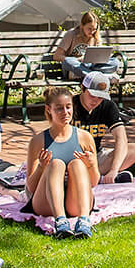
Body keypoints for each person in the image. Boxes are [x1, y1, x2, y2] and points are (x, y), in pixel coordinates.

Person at [25, 85, 99, 237]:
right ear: (48, 109)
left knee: (77, 163)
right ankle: (61, 222)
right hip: (46, 202)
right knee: (56, 163)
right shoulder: (38, 141)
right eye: (59, 108)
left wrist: (90, 165)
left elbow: (94, 182)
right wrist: (41, 167)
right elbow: (31, 187)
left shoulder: (84, 137)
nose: (65, 113)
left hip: (75, 201)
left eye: (68, 107)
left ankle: (84, 221)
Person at [72, 72, 133, 184]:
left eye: (100, 97)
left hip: (96, 156)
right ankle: (95, 178)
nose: (95, 100)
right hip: (73, 157)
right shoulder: (70, 106)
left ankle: (99, 176)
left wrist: (114, 170)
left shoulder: (107, 106)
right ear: (82, 88)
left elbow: (121, 139)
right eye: (92, 95)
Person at [51, 11, 118, 83]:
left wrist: (102, 59)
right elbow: (56, 56)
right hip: (75, 67)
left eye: (94, 29)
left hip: (90, 66)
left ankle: (91, 75)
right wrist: (78, 59)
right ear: (82, 25)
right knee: (67, 61)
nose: (92, 31)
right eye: (89, 29)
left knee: (115, 62)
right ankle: (98, 76)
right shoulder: (71, 34)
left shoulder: (96, 36)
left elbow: (99, 56)